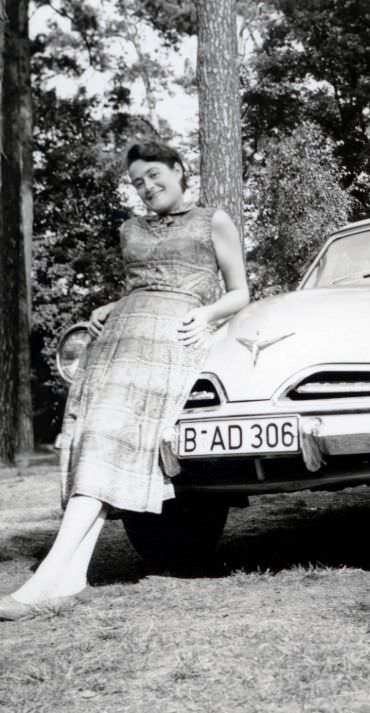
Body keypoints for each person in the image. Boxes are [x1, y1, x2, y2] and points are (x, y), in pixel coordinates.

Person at [0, 141, 250, 621]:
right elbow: (141, 286)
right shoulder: (129, 228)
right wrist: (111, 307)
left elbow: (239, 292)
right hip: (117, 341)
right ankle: (67, 578)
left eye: (155, 175)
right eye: (138, 182)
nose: (147, 187)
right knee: (96, 443)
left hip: (173, 340)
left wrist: (206, 313)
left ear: (179, 171)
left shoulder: (213, 220)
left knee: (112, 445)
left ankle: (48, 580)